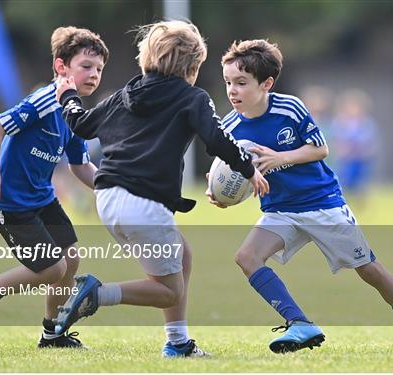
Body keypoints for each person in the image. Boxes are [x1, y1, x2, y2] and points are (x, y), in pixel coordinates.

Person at [207, 39, 393, 353]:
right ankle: (299, 323)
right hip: (279, 209)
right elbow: (229, 170)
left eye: (241, 83)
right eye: (229, 82)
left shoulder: (290, 108)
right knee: (247, 257)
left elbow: (320, 149)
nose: (233, 90)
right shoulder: (229, 127)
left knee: (369, 270)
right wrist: (218, 190)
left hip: (321, 204)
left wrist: (280, 158)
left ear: (266, 83)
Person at [53, 20, 269, 357]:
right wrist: (247, 169)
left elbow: (81, 123)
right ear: (193, 66)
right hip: (144, 204)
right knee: (168, 291)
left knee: (182, 255)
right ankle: (97, 293)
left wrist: (67, 95)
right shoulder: (193, 97)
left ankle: (178, 343)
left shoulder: (127, 92)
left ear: (147, 57)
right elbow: (216, 139)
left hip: (107, 197)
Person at [0, 26, 109, 348]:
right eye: (86, 66)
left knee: (71, 259)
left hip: (42, 198)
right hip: (12, 204)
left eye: (99, 69)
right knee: (52, 269)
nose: (94, 74)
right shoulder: (44, 102)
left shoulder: (74, 114)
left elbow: (80, 165)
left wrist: (113, 187)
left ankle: (52, 334)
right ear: (61, 67)